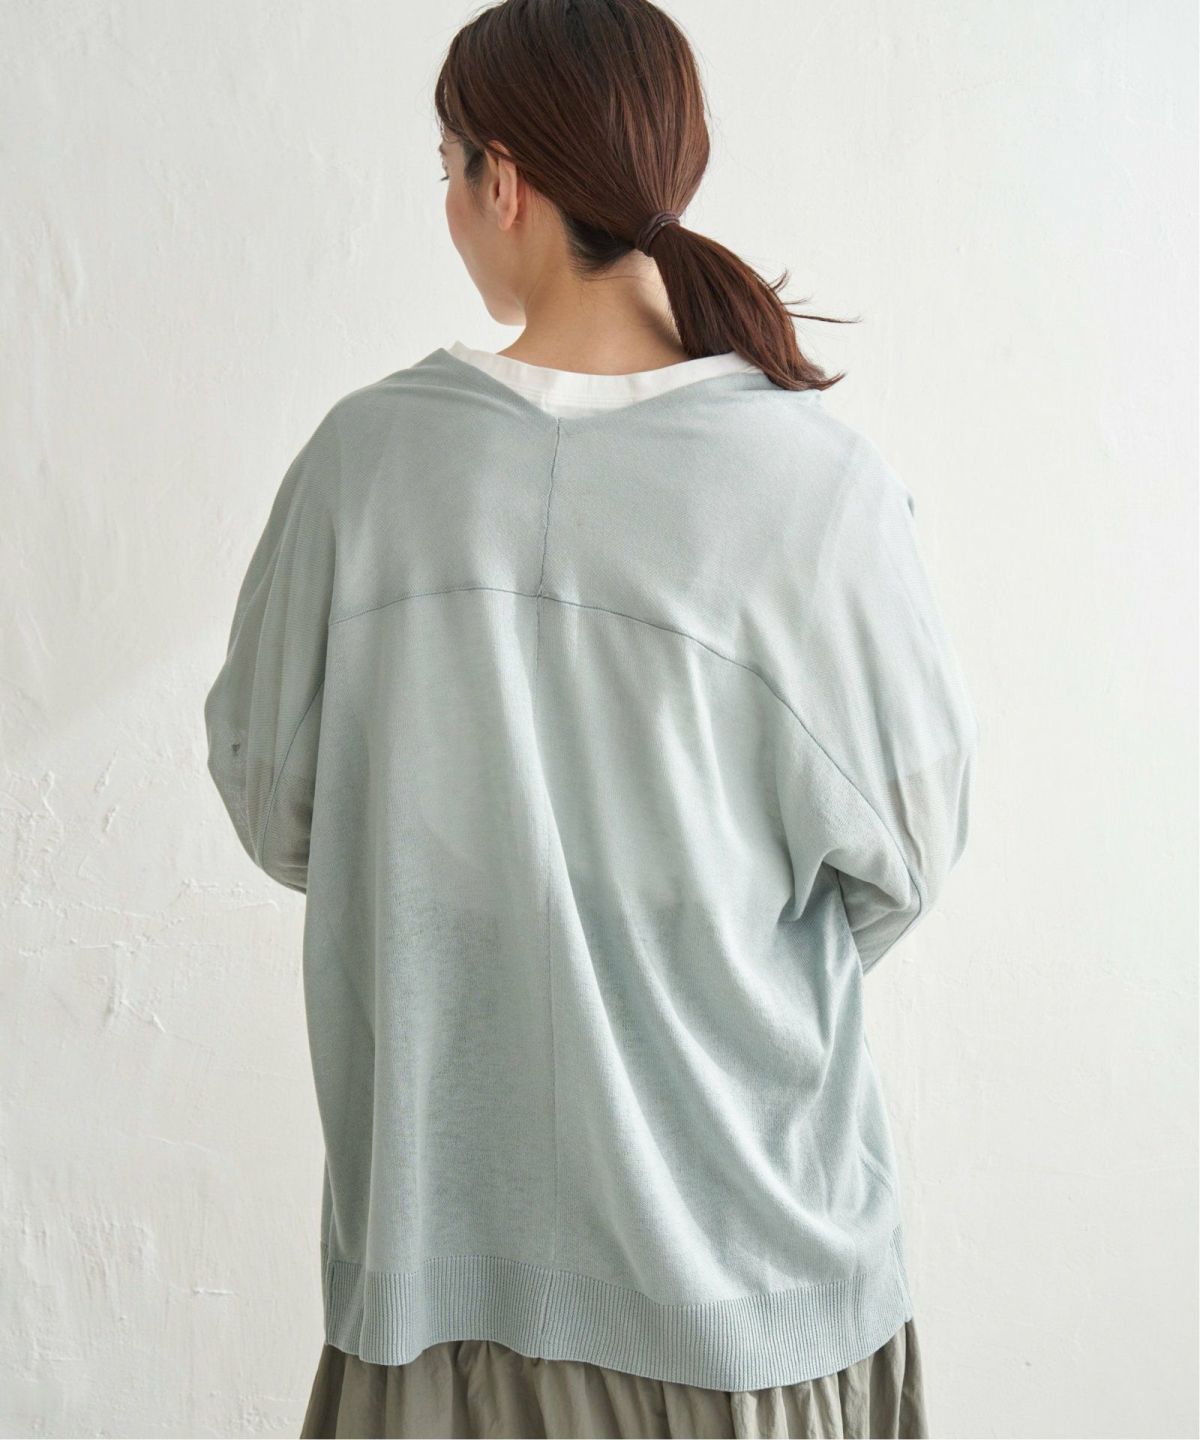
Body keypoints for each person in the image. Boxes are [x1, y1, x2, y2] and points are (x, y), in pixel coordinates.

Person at [202, 1, 979, 1435]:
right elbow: (906, 856)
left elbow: (276, 801)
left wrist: (468, 894)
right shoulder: (816, 488)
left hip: (443, 1279)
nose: (449, 202)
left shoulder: (364, 469)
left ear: (501, 180)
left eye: (447, 168)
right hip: (753, 1291)